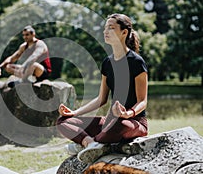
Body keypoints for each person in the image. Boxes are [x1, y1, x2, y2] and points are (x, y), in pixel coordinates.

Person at [56, 13, 148, 163]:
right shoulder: (107, 63)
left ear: (124, 32)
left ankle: (89, 144)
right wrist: (74, 113)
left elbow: (142, 101)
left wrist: (128, 113)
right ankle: (91, 144)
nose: (106, 31)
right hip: (110, 122)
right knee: (63, 121)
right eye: (105, 28)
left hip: (133, 123)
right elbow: (101, 99)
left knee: (119, 124)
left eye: (111, 28)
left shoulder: (136, 62)